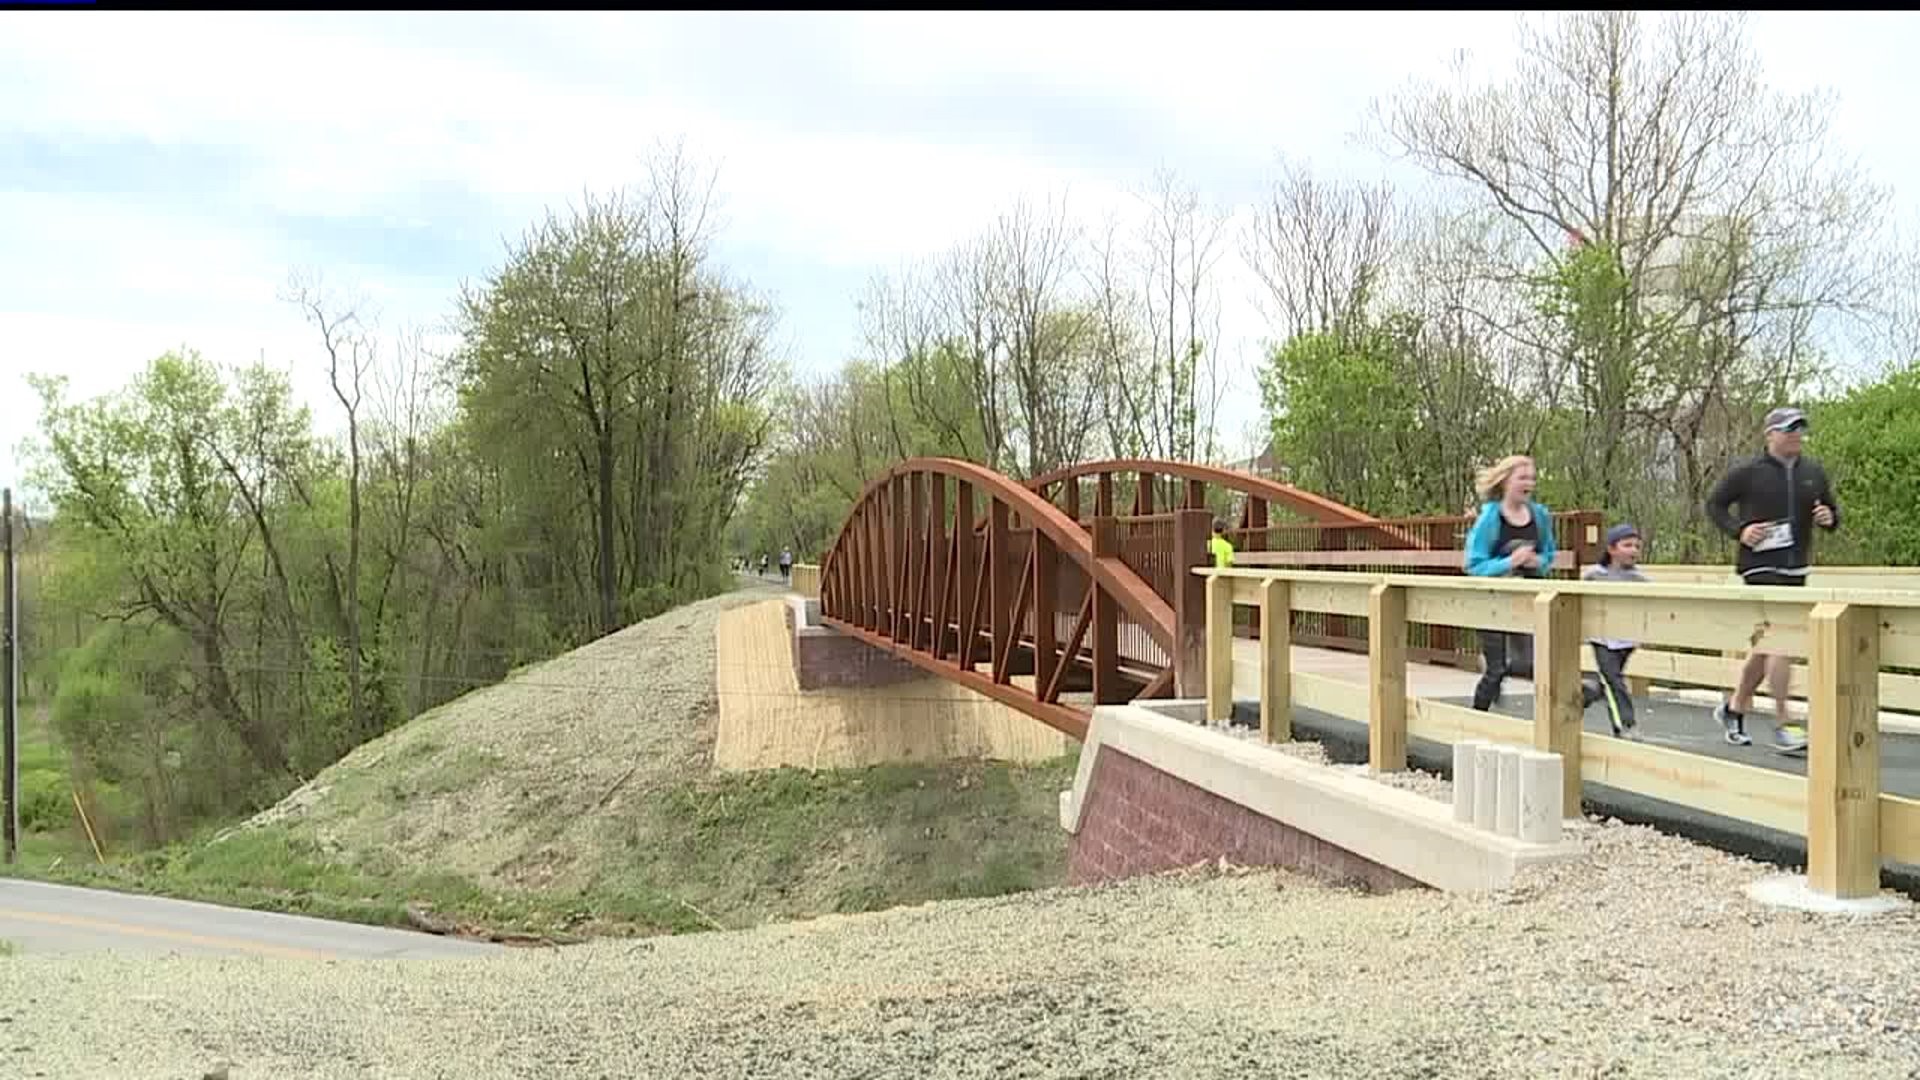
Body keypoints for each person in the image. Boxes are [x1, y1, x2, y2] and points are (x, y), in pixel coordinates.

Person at [1704, 406, 1840, 754]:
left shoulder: (1813, 472)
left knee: (1766, 646)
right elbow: (1715, 505)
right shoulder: (1749, 472)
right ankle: (1783, 722)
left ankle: (1734, 709)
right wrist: (1741, 531)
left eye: (1800, 429)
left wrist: (1829, 517)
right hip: (1760, 567)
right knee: (1783, 642)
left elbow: (1831, 511)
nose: (1796, 435)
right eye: (1789, 429)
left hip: (1796, 569)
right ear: (1771, 435)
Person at [1464, 455, 1557, 712]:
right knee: (1496, 671)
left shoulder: (1540, 516)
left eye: (1532, 478)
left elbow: (1550, 554)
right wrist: (1509, 562)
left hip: (1526, 599)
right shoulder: (1490, 518)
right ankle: (1478, 716)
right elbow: (1473, 565)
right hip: (1493, 600)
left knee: (1530, 664)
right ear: (1506, 482)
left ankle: (1500, 664)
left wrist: (1538, 561)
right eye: (1522, 478)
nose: (1529, 483)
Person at [1581, 524, 1646, 739]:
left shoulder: (1640, 579)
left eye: (1636, 546)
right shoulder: (1594, 575)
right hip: (1602, 637)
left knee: (1609, 682)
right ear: (1611, 549)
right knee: (1615, 682)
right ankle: (1625, 725)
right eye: (1627, 545)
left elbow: (1650, 606)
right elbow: (1577, 598)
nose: (1633, 551)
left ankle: (1584, 695)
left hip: (1626, 640)